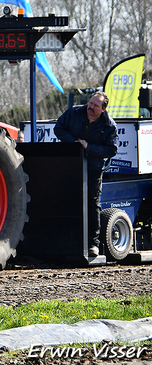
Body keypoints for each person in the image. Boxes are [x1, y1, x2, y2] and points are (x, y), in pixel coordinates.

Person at [54, 91, 118, 257]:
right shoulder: (74, 112)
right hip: (71, 164)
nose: (90, 107)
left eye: (95, 105)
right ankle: (68, 241)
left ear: (103, 109)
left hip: (93, 169)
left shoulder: (109, 125)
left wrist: (88, 147)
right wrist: (74, 143)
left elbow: (112, 149)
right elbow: (58, 128)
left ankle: (93, 244)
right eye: (90, 103)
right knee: (67, 200)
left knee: (92, 203)